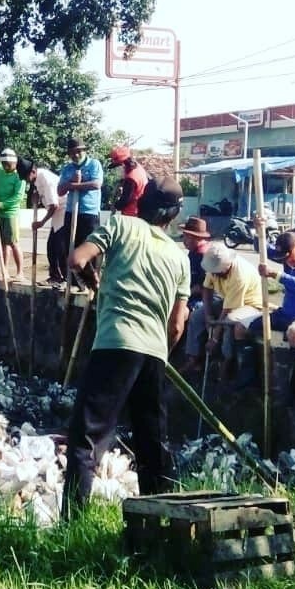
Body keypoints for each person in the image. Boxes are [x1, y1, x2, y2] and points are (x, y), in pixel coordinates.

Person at [62, 176, 190, 515]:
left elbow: (76, 260)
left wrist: (93, 281)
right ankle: (161, 522)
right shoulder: (180, 258)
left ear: (143, 203)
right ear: (174, 215)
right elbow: (177, 325)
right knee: (152, 444)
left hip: (115, 344)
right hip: (154, 354)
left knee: (86, 438)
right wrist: (162, 351)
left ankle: (72, 527)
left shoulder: (120, 225)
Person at [234, 230, 295, 396]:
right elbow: (262, 247)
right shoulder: (288, 257)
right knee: (241, 327)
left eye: (287, 257)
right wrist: (258, 230)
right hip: (285, 313)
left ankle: (294, 389)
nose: (286, 262)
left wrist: (276, 275)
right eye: (282, 259)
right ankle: (249, 378)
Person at [196, 242, 263, 383]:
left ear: (226, 266)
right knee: (197, 315)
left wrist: (214, 338)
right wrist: (208, 315)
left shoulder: (239, 275)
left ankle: (226, 361)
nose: (213, 274)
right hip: (228, 300)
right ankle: (193, 358)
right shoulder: (213, 266)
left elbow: (228, 310)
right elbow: (207, 289)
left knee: (229, 321)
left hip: (250, 304)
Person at [57, 136, 103, 284]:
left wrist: (76, 185)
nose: (75, 155)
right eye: (72, 152)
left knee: (90, 249)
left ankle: (95, 282)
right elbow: (60, 190)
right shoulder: (67, 169)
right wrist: (71, 182)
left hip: (89, 213)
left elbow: (96, 184)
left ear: (84, 151)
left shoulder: (94, 164)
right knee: (71, 249)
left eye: (78, 151)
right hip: (71, 212)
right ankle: (82, 282)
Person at [18, 157, 66, 285]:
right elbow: (45, 200)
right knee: (52, 247)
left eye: (26, 176)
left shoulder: (45, 178)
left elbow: (54, 205)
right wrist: (36, 200)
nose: (26, 180)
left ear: (33, 171)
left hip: (64, 213)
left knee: (57, 248)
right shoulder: (37, 181)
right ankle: (56, 276)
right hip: (57, 215)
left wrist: (41, 223)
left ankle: (62, 278)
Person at [177, 216, 213, 375]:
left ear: (196, 237)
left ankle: (193, 358)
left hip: (205, 298)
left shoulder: (204, 255)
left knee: (185, 314)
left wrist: (183, 294)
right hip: (191, 293)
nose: (183, 239)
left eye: (186, 236)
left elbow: (203, 286)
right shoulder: (192, 253)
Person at [0, 148, 26, 279]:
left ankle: (20, 272)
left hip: (10, 214)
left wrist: (1, 204)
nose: (6, 167)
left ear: (14, 163)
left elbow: (17, 198)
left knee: (13, 243)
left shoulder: (20, 176)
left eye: (8, 164)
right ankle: (5, 270)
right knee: (3, 243)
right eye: (4, 164)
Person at [108, 146, 149, 217]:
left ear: (123, 164)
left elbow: (125, 200)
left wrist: (115, 205)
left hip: (132, 214)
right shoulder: (138, 168)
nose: (116, 171)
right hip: (139, 212)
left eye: (117, 167)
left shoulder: (131, 178)